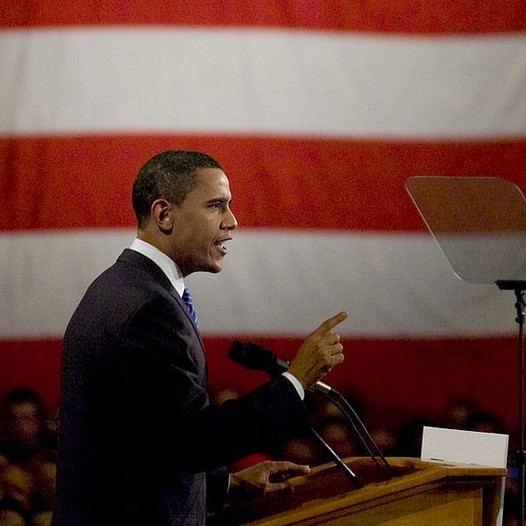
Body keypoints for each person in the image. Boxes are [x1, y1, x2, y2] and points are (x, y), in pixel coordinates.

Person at [52, 149, 348, 526]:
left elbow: (145, 444)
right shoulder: (148, 309)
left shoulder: (126, 287)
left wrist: (225, 485)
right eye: (216, 206)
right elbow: (194, 439)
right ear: (164, 214)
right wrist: (296, 381)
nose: (232, 222)